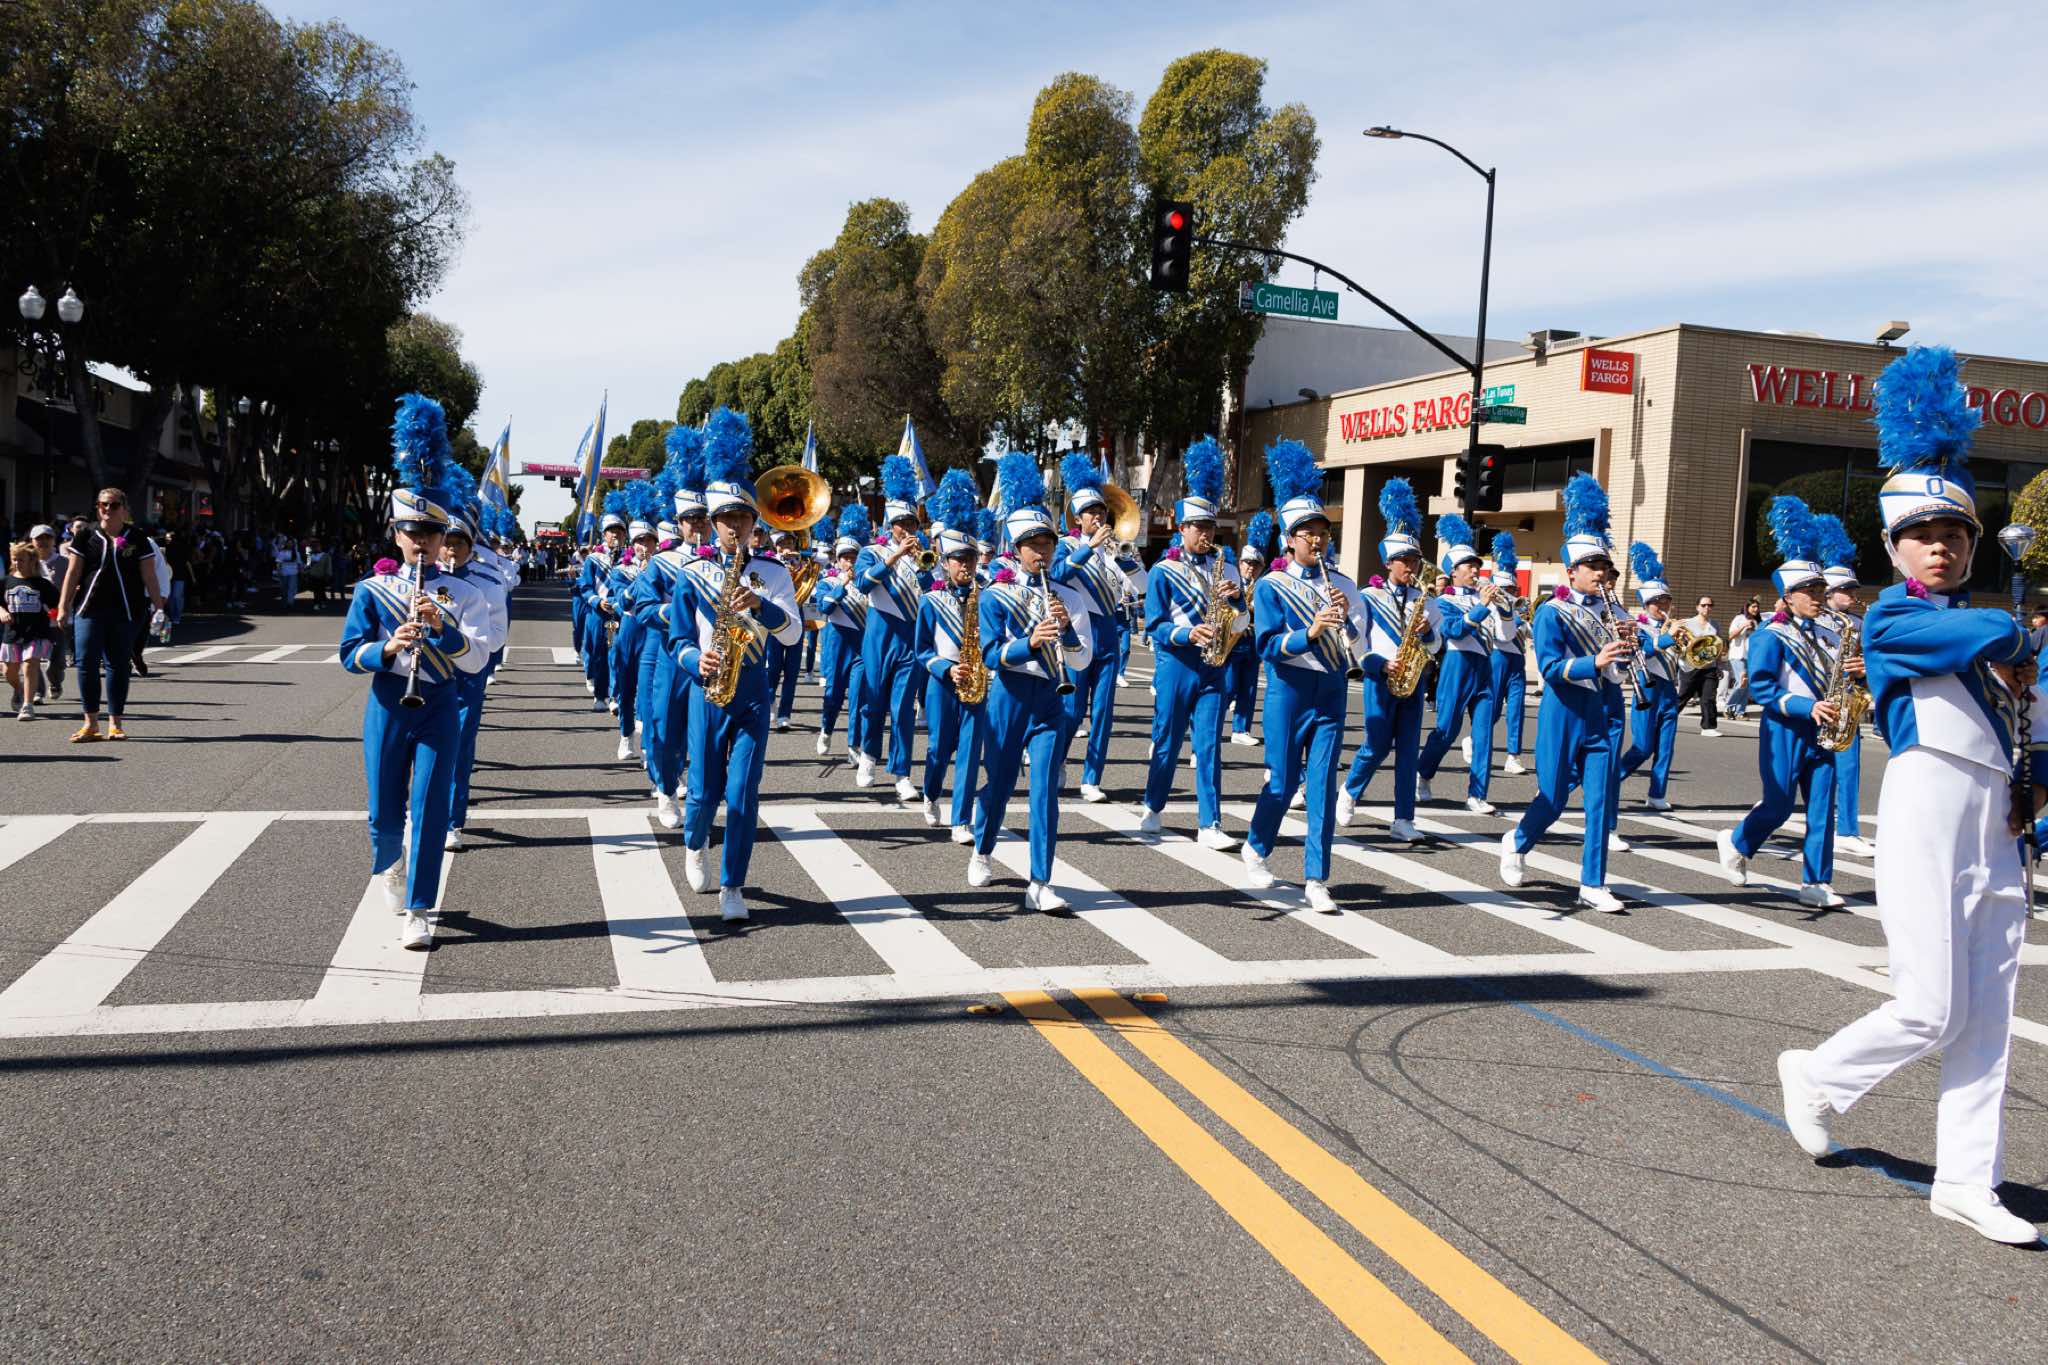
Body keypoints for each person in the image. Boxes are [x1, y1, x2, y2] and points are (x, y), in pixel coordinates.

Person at [1776, 344, 2047, 1246]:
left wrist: (2037, 785)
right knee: (1931, 1006)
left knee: (1988, 1016)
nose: (1942, 545)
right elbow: (1991, 634)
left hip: (1998, 823)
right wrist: (2024, 637)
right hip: (1927, 810)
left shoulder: (1991, 630)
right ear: (1894, 547)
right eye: (1924, 534)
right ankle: (1817, 1072)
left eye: (1956, 534)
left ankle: (1967, 1180)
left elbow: (2041, 716)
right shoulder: (1896, 617)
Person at [337, 395, 493, 950]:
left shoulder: (466, 593)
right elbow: (348, 653)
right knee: (384, 810)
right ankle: (390, 864)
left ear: (442, 535)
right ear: (397, 534)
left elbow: (477, 657)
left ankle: (421, 906)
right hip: (388, 702)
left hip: (440, 704)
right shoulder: (373, 589)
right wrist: (388, 646)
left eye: (431, 531)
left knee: (428, 806)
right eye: (412, 530)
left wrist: (442, 630)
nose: (422, 540)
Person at [669, 407, 802, 923]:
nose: (733, 527)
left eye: (742, 518)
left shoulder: (773, 572)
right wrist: (694, 658)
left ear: (753, 523)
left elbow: (792, 633)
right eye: (725, 519)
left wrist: (761, 605)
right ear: (712, 522)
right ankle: (694, 843)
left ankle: (733, 884)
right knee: (704, 792)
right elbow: (678, 637)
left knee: (744, 793)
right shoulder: (693, 571)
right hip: (707, 687)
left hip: (752, 689)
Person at [1240, 442, 1369, 912]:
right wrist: (1310, 632)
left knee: (1321, 786)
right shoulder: (1272, 585)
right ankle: (1256, 845)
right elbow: (1267, 645)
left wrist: (1347, 622)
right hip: (1288, 691)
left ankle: (1316, 877)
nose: (1317, 540)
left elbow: (1360, 644)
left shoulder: (1345, 585)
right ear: (1289, 540)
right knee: (1280, 781)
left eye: (1323, 533)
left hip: (1331, 691)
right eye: (1308, 533)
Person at [1497, 473, 1633, 913]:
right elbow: (1552, 669)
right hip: (1562, 710)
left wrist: (1629, 653)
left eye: (1605, 566)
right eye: (1593, 566)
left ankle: (1593, 883)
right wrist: (1595, 661)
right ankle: (1517, 841)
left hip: (1600, 711)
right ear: (1572, 571)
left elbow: (1620, 670)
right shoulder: (1551, 612)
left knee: (1599, 801)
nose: (1601, 573)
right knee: (1554, 798)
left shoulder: (1616, 611)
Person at [966, 453, 1092, 912]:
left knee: (1044, 792)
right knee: (999, 783)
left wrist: (1067, 630)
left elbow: (1082, 657)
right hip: (1009, 695)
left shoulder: (1069, 595)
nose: (1042, 552)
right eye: (1032, 545)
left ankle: (1040, 881)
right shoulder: (996, 594)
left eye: (1047, 544)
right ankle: (983, 849)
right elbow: (989, 655)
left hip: (1051, 699)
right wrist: (1029, 642)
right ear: (1016, 548)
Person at [1715, 497, 1848, 908]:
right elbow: (1763, 687)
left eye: (1821, 589)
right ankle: (1737, 841)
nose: (1819, 596)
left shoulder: (1830, 632)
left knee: (1822, 808)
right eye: (1810, 591)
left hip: (1824, 729)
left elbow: (1836, 677)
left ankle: (1816, 882)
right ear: (1788, 596)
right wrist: (1807, 707)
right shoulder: (1770, 636)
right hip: (1786, 726)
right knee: (1778, 805)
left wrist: (1857, 673)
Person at [1137, 435, 1242, 849]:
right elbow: (1155, 626)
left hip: (1214, 666)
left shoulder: (1227, 567)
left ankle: (1209, 823)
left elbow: (1242, 623)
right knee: (1167, 740)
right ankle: (1153, 805)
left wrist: (1238, 603)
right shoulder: (1164, 570)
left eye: (1210, 527)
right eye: (1198, 527)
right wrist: (1187, 633)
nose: (1205, 534)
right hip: (1176, 664)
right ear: (1181, 529)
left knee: (1209, 745)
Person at [1336, 479, 1438, 842]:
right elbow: (1356, 640)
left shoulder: (1427, 599)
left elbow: (1436, 645)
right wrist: (1379, 664)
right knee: (1377, 744)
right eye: (1405, 560)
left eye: (1415, 560)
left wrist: (1428, 633)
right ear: (1388, 562)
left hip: (1413, 678)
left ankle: (1403, 819)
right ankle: (1350, 790)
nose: (1411, 566)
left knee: (1408, 750)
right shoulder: (1369, 596)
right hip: (1381, 677)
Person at [632, 426, 709, 825]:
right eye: (690, 519)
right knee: (663, 729)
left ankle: (699, 800)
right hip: (671, 655)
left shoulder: (724, 561)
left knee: (706, 735)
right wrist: (677, 613)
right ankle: (665, 788)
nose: (697, 525)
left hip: (711, 657)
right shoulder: (662, 563)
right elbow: (644, 608)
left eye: (703, 518)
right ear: (679, 523)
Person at [54, 488, 165, 743]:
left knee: (118, 664)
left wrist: (159, 608)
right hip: (89, 609)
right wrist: (63, 606)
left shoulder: (138, 538)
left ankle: (115, 723)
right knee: (86, 662)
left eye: (113, 505)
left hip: (126, 610)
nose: (107, 509)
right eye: (102, 504)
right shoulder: (85, 535)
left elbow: (149, 576)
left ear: (124, 509)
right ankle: (90, 723)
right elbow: (73, 573)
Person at [1052, 453, 1132, 804]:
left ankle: (1092, 777)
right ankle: (1058, 760)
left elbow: (1141, 587)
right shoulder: (1067, 545)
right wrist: (1090, 547)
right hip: (1078, 632)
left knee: (1102, 712)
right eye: (1091, 513)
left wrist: (1127, 560)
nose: (1098, 517)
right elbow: (1057, 574)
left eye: (1101, 512)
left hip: (1109, 633)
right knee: (1071, 709)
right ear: (1078, 518)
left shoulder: (1114, 550)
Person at [913, 470, 986, 839]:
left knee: (970, 752)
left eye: (970, 558)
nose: (965, 565)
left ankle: (961, 820)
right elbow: (921, 651)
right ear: (945, 562)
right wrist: (945, 668)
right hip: (943, 683)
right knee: (940, 748)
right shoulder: (932, 600)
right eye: (958, 559)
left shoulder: (986, 595)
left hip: (977, 682)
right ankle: (930, 792)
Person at [852, 454, 928, 799]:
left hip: (910, 638)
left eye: (911, 523)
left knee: (903, 708)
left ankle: (901, 773)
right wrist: (896, 556)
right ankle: (868, 755)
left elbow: (931, 590)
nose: (907, 529)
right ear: (890, 525)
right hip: (879, 634)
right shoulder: (871, 552)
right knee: (874, 703)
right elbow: (863, 584)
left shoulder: (924, 555)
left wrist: (922, 566)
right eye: (901, 523)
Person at [1415, 513, 1499, 814]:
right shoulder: (1444, 601)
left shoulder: (1485, 597)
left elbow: (1503, 634)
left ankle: (1477, 794)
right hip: (1457, 664)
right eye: (1469, 566)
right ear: (1454, 572)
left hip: (1485, 667)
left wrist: (1503, 611)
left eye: (1477, 565)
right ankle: (1423, 773)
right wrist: (1483, 606)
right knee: (1447, 729)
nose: (1476, 570)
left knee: (1484, 734)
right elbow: (1453, 630)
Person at [440, 507, 511, 851]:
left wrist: (460, 643)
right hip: (423, 673)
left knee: (458, 744)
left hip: (467, 672)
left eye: (459, 543)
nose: (451, 549)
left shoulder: (488, 580)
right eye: (446, 542)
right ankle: (421, 806)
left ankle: (451, 820)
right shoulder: (416, 579)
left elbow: (496, 637)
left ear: (471, 546)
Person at [1814, 513, 1875, 860]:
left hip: (1847, 700)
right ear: (1829, 593)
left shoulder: (1858, 623)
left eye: (1853, 590)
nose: (1852, 595)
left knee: (1849, 768)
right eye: (1846, 590)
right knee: (1809, 774)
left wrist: (1865, 671)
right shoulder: (1813, 620)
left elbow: (1868, 662)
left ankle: (1847, 830)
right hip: (1817, 701)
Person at [1617, 541, 1682, 812]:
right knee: (1643, 747)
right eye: (1657, 601)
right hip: (1647, 687)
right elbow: (1640, 652)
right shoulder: (1637, 626)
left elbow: (1684, 661)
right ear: (1647, 604)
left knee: (1666, 747)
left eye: (1666, 600)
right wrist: (1667, 639)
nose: (1662, 605)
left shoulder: (1674, 627)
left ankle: (1657, 794)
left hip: (1669, 690)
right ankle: (1611, 780)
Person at [1470, 532, 1529, 799]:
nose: (1510, 594)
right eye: (1505, 590)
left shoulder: (1516, 607)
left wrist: (1524, 624)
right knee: (1492, 708)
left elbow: (1526, 633)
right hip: (1497, 656)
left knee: (1516, 708)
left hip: (1517, 659)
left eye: (1513, 590)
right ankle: (1474, 739)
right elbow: (1495, 633)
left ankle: (1513, 755)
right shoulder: (1488, 606)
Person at [813, 506, 871, 760]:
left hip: (861, 648)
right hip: (837, 645)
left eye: (853, 557)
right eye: (845, 558)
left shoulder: (868, 584)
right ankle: (826, 729)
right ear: (837, 561)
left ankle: (853, 746)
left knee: (858, 698)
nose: (850, 562)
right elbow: (824, 607)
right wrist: (843, 585)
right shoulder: (827, 582)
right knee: (834, 695)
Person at [1225, 512, 1276, 748]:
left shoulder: (1264, 586)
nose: (1250, 568)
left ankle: (1241, 729)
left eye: (1255, 564)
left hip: (1252, 642)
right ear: (1240, 563)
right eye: (1247, 563)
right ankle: (1212, 724)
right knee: (1227, 686)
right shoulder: (1232, 582)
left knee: (1249, 687)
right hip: (1232, 642)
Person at [2, 541, 59, 719]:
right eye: (15, 559)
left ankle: (27, 705)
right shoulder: (6, 582)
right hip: (12, 632)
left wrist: (56, 614)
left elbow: (56, 604)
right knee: (8, 671)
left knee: (30, 664)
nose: (17, 563)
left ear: (32, 561)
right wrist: (2, 612)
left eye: (21, 559)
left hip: (37, 632)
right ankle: (19, 689)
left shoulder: (42, 583)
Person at [1672, 592, 1724, 736]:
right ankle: (1666, 719)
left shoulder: (1715, 624)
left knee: (1709, 698)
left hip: (1709, 667)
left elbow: (1718, 647)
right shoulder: (1687, 623)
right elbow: (1677, 643)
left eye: (1710, 605)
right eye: (1703, 605)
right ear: (1697, 607)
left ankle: (1708, 727)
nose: (1707, 608)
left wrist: (1719, 666)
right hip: (1690, 666)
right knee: (1683, 696)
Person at [30, 525, 66, 701]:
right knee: (31, 657)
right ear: (32, 541)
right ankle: (37, 691)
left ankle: (55, 681)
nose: (43, 542)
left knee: (56, 661)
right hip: (33, 618)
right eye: (39, 538)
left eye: (47, 537)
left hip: (58, 618)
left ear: (54, 540)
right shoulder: (26, 562)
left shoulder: (64, 562)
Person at [1725, 598, 1762, 718]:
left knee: (1746, 685)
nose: (1756, 609)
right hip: (1738, 655)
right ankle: (1729, 706)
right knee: (1742, 682)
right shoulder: (1739, 618)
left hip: (1751, 657)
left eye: (1757, 607)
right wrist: (1743, 626)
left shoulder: (1756, 622)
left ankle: (1739, 712)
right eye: (1753, 607)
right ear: (1747, 607)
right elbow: (1730, 636)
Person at [273, 532, 300, 610]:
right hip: (284, 573)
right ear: (286, 544)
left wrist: (301, 570)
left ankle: (290, 602)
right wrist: (278, 571)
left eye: (291, 543)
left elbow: (299, 563)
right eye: (288, 543)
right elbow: (278, 563)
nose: (290, 544)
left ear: (293, 544)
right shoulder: (282, 552)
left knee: (292, 587)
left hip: (293, 573)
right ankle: (284, 602)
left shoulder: (296, 553)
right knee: (284, 589)